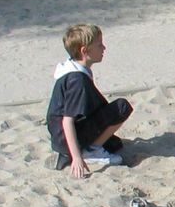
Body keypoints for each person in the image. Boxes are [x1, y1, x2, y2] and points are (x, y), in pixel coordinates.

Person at [46, 24, 132, 178]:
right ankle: (91, 151)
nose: (104, 48)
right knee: (121, 108)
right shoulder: (77, 80)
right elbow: (67, 121)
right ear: (84, 51)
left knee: (115, 144)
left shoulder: (73, 68)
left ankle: (89, 147)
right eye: (99, 45)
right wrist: (77, 157)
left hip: (62, 136)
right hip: (65, 137)